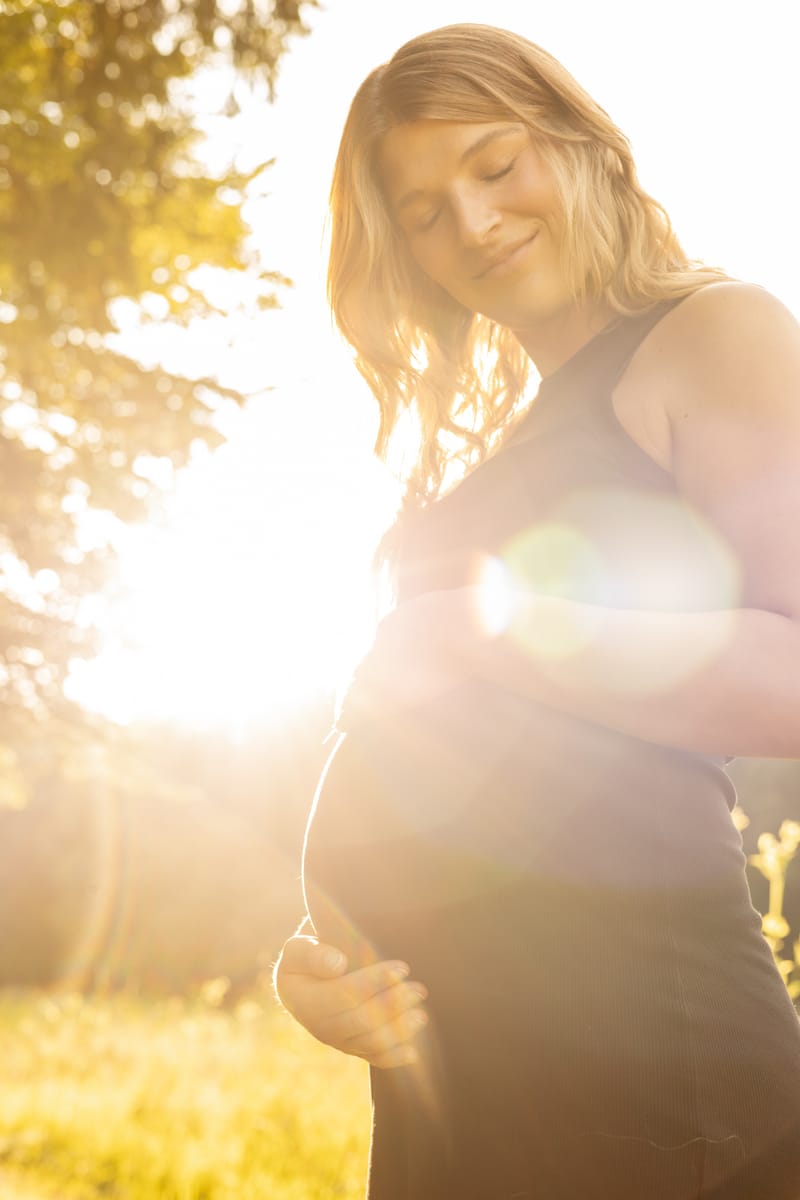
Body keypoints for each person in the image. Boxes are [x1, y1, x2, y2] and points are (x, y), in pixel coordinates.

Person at [274, 23, 800, 1200]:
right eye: (419, 211)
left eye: (494, 163)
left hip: (644, 1080)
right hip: (459, 1083)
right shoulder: (505, 440)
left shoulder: (714, 333)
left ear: (581, 145)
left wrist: (478, 626)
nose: (468, 221)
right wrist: (324, 962)